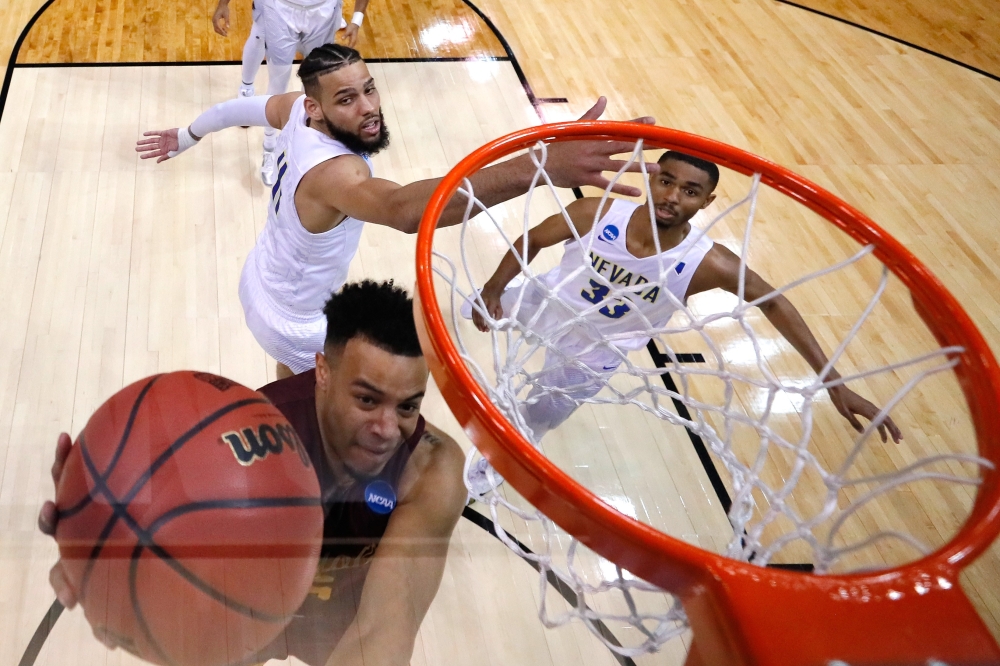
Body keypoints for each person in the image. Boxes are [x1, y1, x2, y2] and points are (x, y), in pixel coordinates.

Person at [135, 43, 658, 381]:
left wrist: (187, 135)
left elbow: (238, 110)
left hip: (265, 277)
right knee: (336, 403)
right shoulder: (337, 175)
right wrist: (539, 165)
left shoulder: (296, 110)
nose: (367, 107)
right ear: (317, 106)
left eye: (368, 88)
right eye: (347, 99)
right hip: (294, 319)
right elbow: (406, 210)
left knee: (296, 380)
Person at [38, 280, 469, 666]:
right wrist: (96, 543)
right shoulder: (240, 444)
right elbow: (163, 557)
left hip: (341, 622)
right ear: (322, 372)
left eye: (408, 406)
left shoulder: (431, 468)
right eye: (368, 401)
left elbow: (383, 632)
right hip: (242, 612)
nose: (388, 430)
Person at [466, 150, 903, 448]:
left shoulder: (707, 263)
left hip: (597, 350)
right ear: (652, 179)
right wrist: (492, 287)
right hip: (546, 303)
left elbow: (775, 303)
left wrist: (834, 382)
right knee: (462, 309)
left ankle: (492, 463)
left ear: (707, 201)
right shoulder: (598, 212)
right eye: (666, 181)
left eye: (690, 191)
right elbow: (532, 239)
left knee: (538, 418)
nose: (673, 196)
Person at [211, 0, 370, 184]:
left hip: (323, 12)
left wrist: (357, 19)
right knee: (278, 84)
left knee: (313, 88)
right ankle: (269, 148)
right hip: (280, 9)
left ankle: (302, 148)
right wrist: (223, 3)